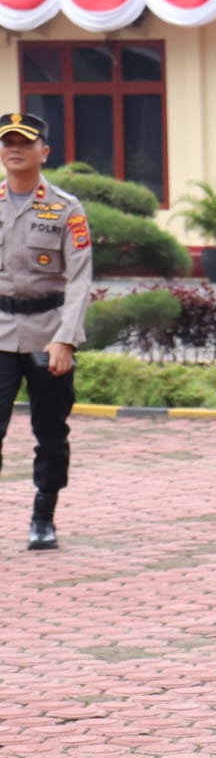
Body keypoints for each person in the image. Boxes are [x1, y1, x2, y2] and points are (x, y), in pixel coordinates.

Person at [0, 112, 91, 551]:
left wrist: (66, 339)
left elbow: (79, 279)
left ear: (44, 152)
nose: (14, 149)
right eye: (7, 142)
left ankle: (43, 515)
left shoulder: (65, 209)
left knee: (50, 431)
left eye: (24, 142)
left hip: (48, 334)